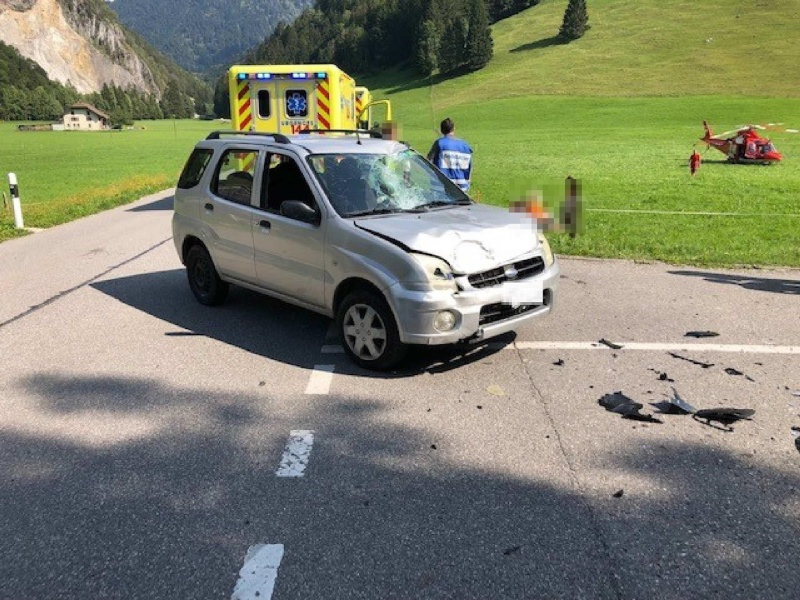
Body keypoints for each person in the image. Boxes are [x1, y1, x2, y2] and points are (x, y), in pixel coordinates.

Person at [427, 118, 473, 191]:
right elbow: (469, 166)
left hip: (441, 186)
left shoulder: (439, 143)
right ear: (454, 129)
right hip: (462, 187)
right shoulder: (466, 145)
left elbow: (428, 159)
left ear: (441, 130)